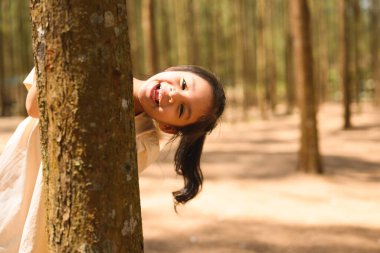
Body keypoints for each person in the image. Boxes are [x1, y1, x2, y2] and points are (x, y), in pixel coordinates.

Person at [0, 65, 226, 252]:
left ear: (169, 127)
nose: (172, 95)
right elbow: (34, 105)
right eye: (183, 84)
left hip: (46, 214)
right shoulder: (103, 58)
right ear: (174, 68)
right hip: (16, 180)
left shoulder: (144, 142)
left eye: (180, 110)